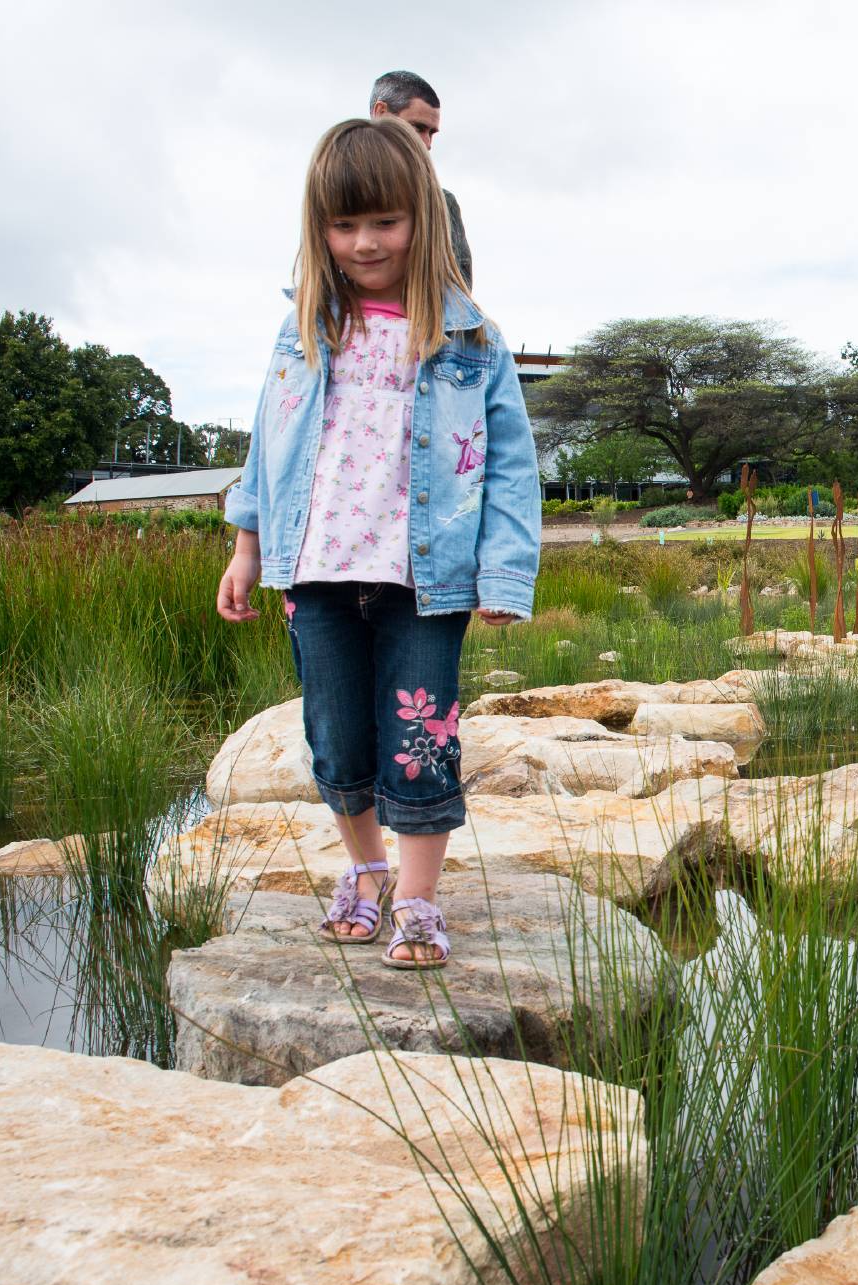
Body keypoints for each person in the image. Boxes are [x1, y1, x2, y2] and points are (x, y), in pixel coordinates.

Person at [217, 116, 542, 969]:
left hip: (423, 580)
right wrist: (246, 547)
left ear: (421, 222)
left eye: (385, 223)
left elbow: (511, 466)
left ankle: (419, 897)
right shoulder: (303, 333)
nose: (364, 242)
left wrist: (504, 574)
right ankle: (363, 867)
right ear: (319, 229)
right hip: (316, 571)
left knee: (424, 735)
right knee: (337, 735)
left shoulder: (469, 342)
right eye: (345, 223)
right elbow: (265, 444)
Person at [370, 70, 471, 291]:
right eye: (417, 127)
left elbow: (459, 298)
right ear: (381, 113)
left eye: (432, 133)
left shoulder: (442, 204)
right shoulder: (334, 191)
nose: (426, 144)